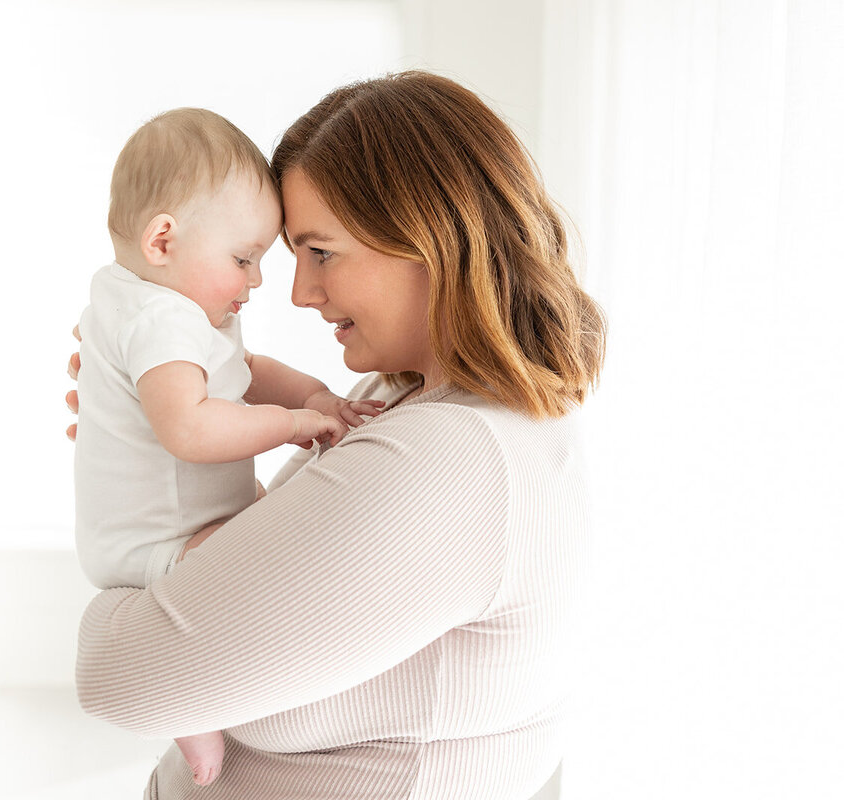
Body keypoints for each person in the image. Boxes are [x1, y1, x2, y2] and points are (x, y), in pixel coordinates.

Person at [69, 71, 606, 800]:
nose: (298, 292)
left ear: (431, 236)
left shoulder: (452, 460)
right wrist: (139, 441)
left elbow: (119, 679)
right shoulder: (409, 400)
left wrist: (127, 573)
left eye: (320, 252)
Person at [74, 107, 382, 786]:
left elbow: (246, 375)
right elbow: (191, 428)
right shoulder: (160, 318)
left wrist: (313, 396)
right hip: (157, 538)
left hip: (165, 526)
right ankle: (193, 714)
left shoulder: (160, 304)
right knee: (242, 571)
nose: (260, 281)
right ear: (163, 240)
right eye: (244, 259)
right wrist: (295, 424)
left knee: (255, 547)